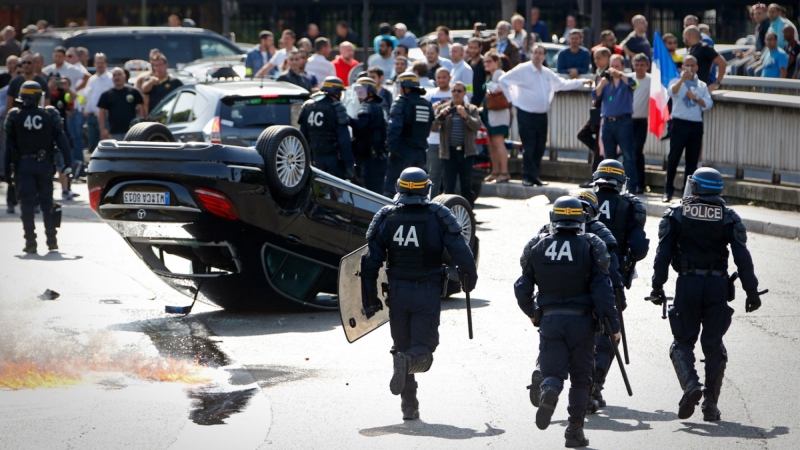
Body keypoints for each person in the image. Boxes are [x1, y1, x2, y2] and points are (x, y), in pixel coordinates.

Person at [361, 166, 477, 421]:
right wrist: (469, 279)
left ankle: (409, 405)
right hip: (427, 291)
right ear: (427, 189)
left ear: (399, 188)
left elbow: (369, 263)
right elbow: (462, 252)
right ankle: (408, 373)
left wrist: (369, 299)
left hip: (397, 293)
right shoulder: (439, 215)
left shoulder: (386, 217)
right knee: (423, 349)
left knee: (401, 346)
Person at [650, 166, 764, 422]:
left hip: (688, 284)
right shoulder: (729, 217)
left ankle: (691, 386)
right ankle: (710, 406)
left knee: (681, 343)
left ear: (696, 187)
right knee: (714, 346)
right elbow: (743, 258)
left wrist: (657, 286)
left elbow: (662, 255)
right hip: (717, 287)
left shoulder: (677, 214)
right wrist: (751, 291)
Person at [515, 195, 620, 448]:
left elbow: (521, 287)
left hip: (550, 321)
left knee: (552, 372)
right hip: (582, 324)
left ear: (554, 218)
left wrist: (532, 312)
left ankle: (550, 389)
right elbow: (603, 291)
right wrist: (613, 326)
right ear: (581, 219)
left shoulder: (537, 245)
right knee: (581, 380)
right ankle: (574, 431)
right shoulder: (591, 245)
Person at [589, 159, 649, 410]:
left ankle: (547, 371)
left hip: (575, 276)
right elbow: (639, 248)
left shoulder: (582, 201)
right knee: (608, 332)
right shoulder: (629, 205)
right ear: (621, 181)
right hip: (610, 279)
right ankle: (594, 386)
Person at [499, 44, 588, 186]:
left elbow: (562, 84)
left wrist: (581, 82)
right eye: (535, 52)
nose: (537, 55)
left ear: (544, 56)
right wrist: (512, 100)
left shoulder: (546, 72)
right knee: (529, 146)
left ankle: (535, 176)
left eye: (540, 53)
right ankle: (527, 176)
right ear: (531, 54)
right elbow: (503, 80)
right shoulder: (523, 69)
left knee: (540, 146)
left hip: (541, 114)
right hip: (526, 112)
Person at [4, 81, 72, 253]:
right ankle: (51, 240)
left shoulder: (14, 116)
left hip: (23, 166)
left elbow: (8, 148)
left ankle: (30, 242)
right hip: (44, 165)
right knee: (47, 203)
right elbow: (62, 141)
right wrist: (68, 163)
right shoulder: (49, 114)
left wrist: (5, 171)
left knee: (26, 205)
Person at [664, 55, 713, 202]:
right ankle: (668, 191)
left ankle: (687, 194)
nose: (690, 68)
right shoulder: (676, 81)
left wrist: (696, 98)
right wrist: (682, 80)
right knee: (673, 158)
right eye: (687, 65)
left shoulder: (702, 85)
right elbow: (671, 92)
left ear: (697, 67)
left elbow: (708, 104)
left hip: (695, 125)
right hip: (679, 123)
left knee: (692, 161)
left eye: (692, 65)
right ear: (682, 67)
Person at [383, 72, 433, 197]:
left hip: (402, 153)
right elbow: (428, 126)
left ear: (405, 88)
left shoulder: (401, 102)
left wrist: (391, 149)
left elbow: (394, 128)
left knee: (393, 189)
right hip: (420, 153)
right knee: (419, 189)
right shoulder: (426, 104)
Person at [595, 54, 638, 192]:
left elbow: (634, 85)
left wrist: (619, 75)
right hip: (608, 122)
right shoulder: (605, 81)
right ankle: (609, 186)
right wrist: (601, 84)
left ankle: (631, 187)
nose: (613, 69)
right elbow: (595, 96)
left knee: (628, 156)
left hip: (623, 122)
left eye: (617, 66)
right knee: (609, 157)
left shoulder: (626, 80)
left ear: (622, 67)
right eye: (612, 66)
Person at [433, 81, 481, 203]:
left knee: (466, 185)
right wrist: (441, 116)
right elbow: (433, 127)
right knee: (449, 186)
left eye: (459, 91)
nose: (456, 93)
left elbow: (477, 126)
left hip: (466, 152)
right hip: (448, 153)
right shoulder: (443, 108)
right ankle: (448, 211)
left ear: (464, 93)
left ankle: (468, 210)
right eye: (453, 91)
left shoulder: (471, 109)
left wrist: (465, 116)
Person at [298, 76, 353, 179]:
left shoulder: (308, 106)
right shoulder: (337, 108)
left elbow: (302, 136)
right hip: (333, 160)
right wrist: (349, 165)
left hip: (314, 159)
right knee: (335, 187)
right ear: (336, 92)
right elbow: (344, 141)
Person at [577, 47, 611, 187]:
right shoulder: (599, 73)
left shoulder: (607, 75)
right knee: (583, 135)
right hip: (596, 112)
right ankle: (601, 154)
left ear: (607, 58)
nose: (596, 61)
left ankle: (595, 177)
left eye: (599, 58)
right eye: (595, 58)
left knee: (598, 144)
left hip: (603, 113)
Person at [350, 77, 387, 193]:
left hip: (367, 154)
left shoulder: (366, 106)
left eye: (361, 91)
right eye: (357, 91)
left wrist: (346, 119)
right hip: (377, 153)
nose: (358, 94)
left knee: (367, 188)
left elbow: (360, 125)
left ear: (370, 92)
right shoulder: (377, 106)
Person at [482, 51, 510, 184]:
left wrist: (489, 87)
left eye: (489, 61)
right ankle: (495, 171)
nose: (486, 64)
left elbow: (498, 89)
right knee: (492, 144)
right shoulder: (491, 75)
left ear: (496, 62)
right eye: (485, 62)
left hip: (500, 113)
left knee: (498, 143)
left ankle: (504, 172)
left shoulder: (500, 74)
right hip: (491, 113)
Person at [423, 68, 452, 196]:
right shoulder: (429, 94)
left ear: (449, 78)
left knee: (451, 176)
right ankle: (431, 201)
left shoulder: (456, 92)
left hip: (451, 140)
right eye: (438, 77)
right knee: (433, 174)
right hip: (433, 140)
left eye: (444, 77)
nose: (441, 80)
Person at [97, 68, 144, 141]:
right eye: (114, 75)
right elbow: (101, 113)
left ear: (125, 76)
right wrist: (102, 130)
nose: (117, 77)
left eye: (119, 74)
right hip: (113, 133)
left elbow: (141, 110)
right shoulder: (106, 95)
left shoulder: (134, 92)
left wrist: (141, 128)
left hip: (132, 132)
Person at [82, 53, 112, 154]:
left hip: (106, 118)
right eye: (97, 62)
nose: (100, 65)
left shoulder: (111, 78)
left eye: (102, 62)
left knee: (105, 147)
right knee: (92, 147)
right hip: (91, 118)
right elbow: (87, 96)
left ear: (106, 64)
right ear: (94, 64)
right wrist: (85, 110)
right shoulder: (92, 79)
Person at [630, 53, 651, 194]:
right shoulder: (628, 78)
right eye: (636, 65)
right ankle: (629, 181)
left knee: (637, 151)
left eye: (642, 65)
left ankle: (640, 183)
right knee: (628, 152)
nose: (639, 68)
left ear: (647, 66)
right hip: (627, 120)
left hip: (642, 120)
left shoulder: (651, 80)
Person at [466, 38, 487, 107]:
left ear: (480, 48)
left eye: (475, 48)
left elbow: (487, 83)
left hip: (482, 102)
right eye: (470, 47)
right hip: (470, 101)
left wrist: (484, 101)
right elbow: (468, 83)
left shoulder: (485, 63)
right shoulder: (468, 63)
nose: (472, 50)